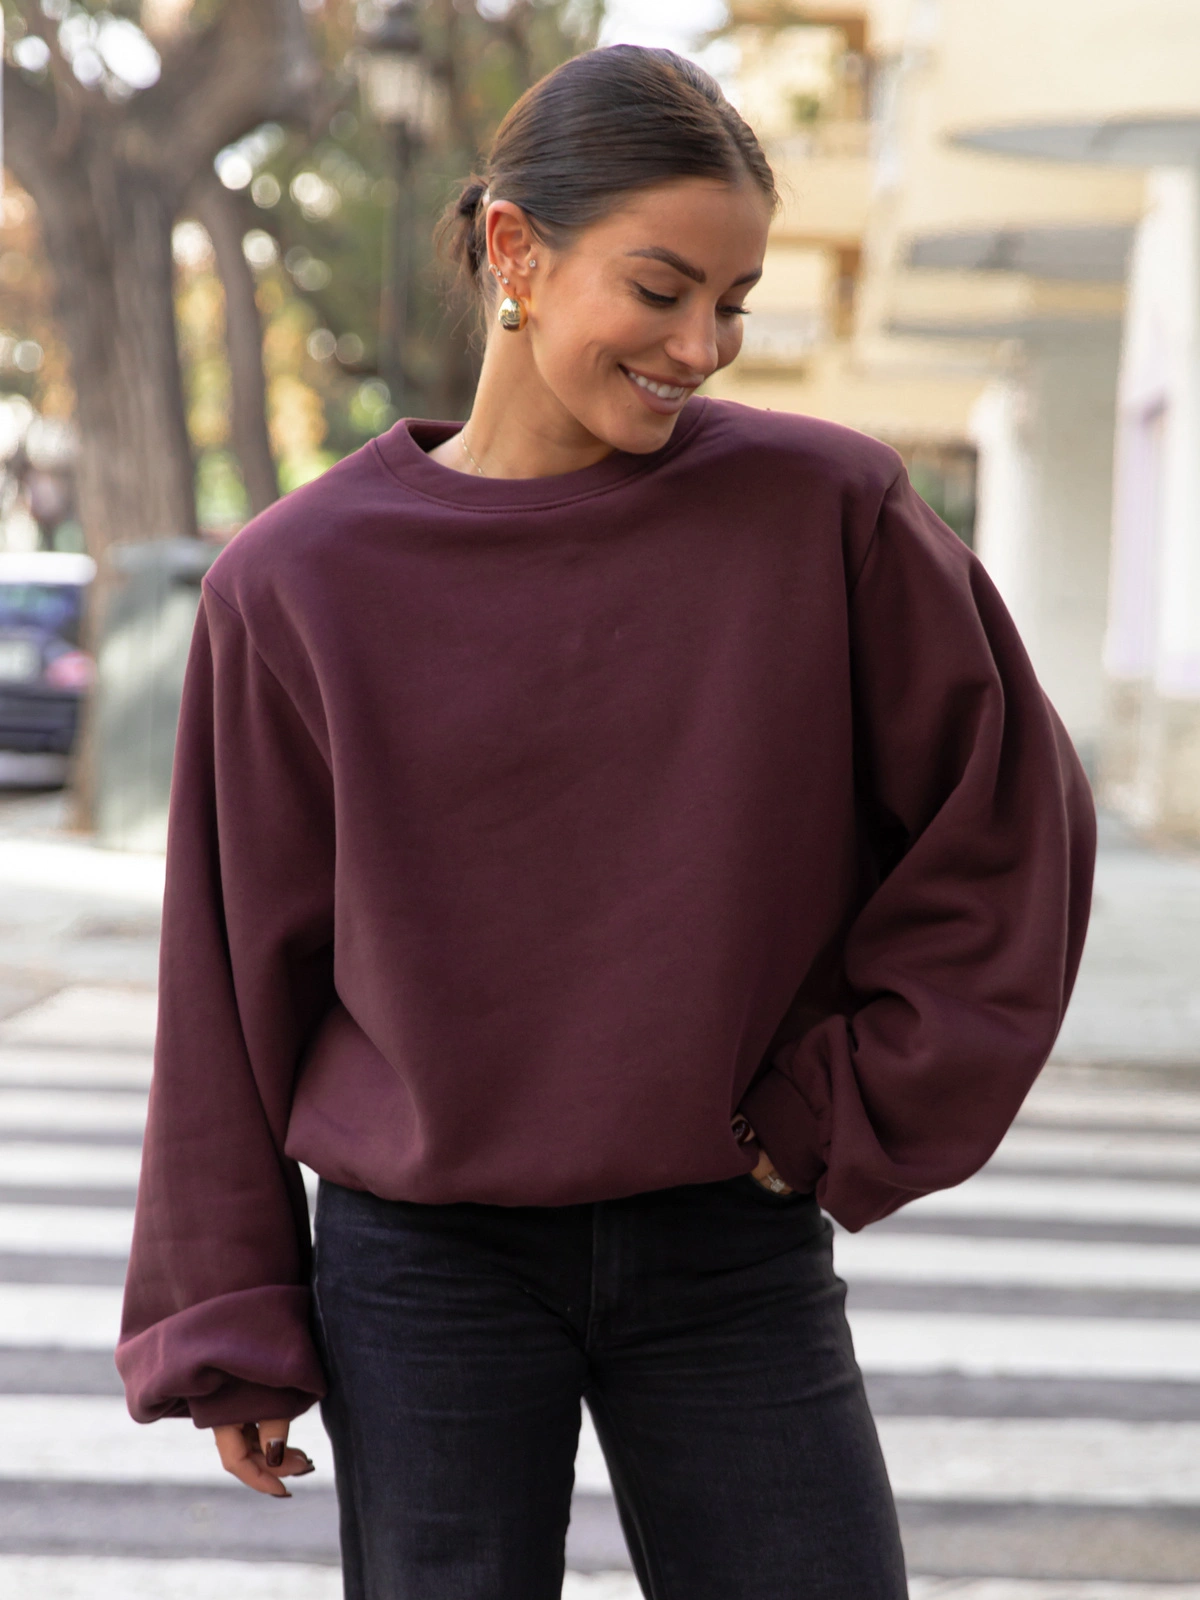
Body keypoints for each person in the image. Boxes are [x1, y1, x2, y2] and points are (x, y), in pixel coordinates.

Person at [117, 43, 1095, 1600]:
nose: (702, 345)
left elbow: (1009, 831)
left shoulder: (826, 514)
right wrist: (225, 1307)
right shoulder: (294, 583)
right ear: (515, 249)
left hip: (727, 1243)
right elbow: (230, 975)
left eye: (734, 301)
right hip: (423, 1269)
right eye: (660, 288)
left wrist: (836, 1111)